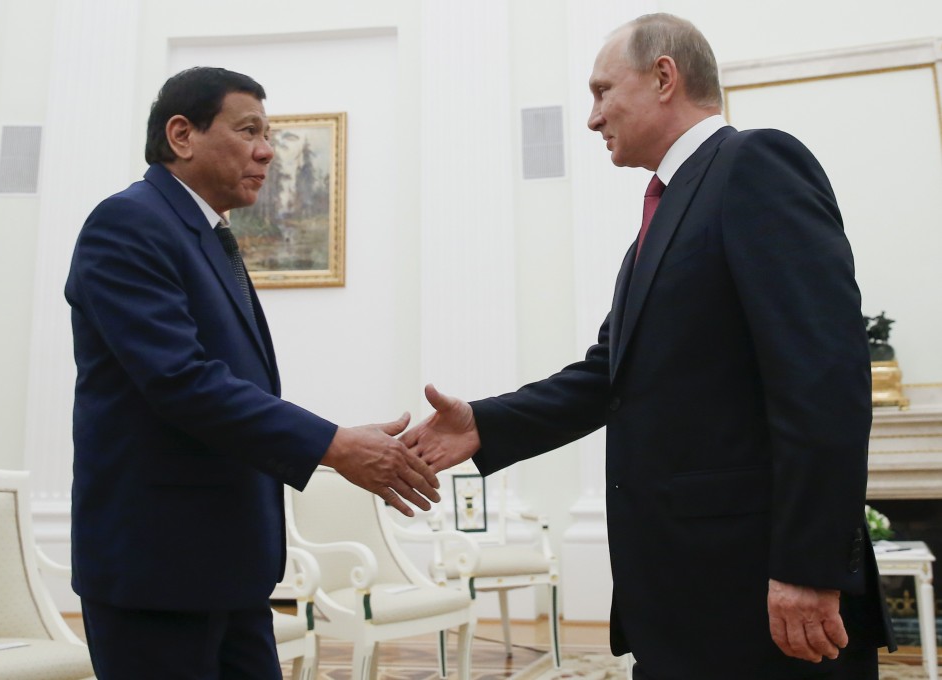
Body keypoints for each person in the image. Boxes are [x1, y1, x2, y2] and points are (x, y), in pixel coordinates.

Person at [402, 13, 895, 680]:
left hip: (761, 591)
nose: (592, 117)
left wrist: (808, 567)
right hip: (685, 594)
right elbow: (612, 374)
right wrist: (485, 424)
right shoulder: (660, 219)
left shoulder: (754, 164)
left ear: (665, 76)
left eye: (604, 91)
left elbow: (823, 379)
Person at [65, 66, 439, 679]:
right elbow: (181, 381)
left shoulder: (206, 234)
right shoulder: (127, 223)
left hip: (227, 566)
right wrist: (335, 445)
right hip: (158, 569)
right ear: (182, 135)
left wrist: (333, 444)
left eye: (268, 134)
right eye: (249, 131)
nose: (267, 150)